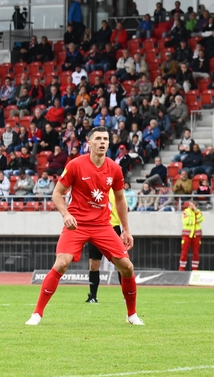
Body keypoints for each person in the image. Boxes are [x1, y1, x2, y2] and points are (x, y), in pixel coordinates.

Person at [25, 127, 143, 326]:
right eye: (98, 138)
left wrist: (126, 230)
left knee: (127, 267)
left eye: (105, 138)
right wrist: (66, 214)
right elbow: (56, 193)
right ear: (89, 143)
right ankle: (37, 314)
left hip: (102, 225)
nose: (103, 142)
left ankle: (132, 315)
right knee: (61, 263)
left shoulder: (114, 168)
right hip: (76, 224)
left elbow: (121, 200)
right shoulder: (75, 165)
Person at [84, 185, 123, 302]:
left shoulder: (116, 191)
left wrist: (125, 229)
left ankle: (126, 296)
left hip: (113, 227)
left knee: (121, 263)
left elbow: (122, 207)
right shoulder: (94, 191)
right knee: (94, 264)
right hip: (95, 228)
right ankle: (93, 296)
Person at [179, 201, 203, 271]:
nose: (192, 206)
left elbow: (201, 219)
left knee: (196, 253)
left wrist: (196, 212)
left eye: (194, 205)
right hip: (187, 235)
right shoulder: (186, 212)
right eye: (191, 205)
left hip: (196, 235)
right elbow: (186, 221)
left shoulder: (198, 212)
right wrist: (195, 221)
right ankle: (181, 268)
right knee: (184, 252)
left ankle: (195, 268)